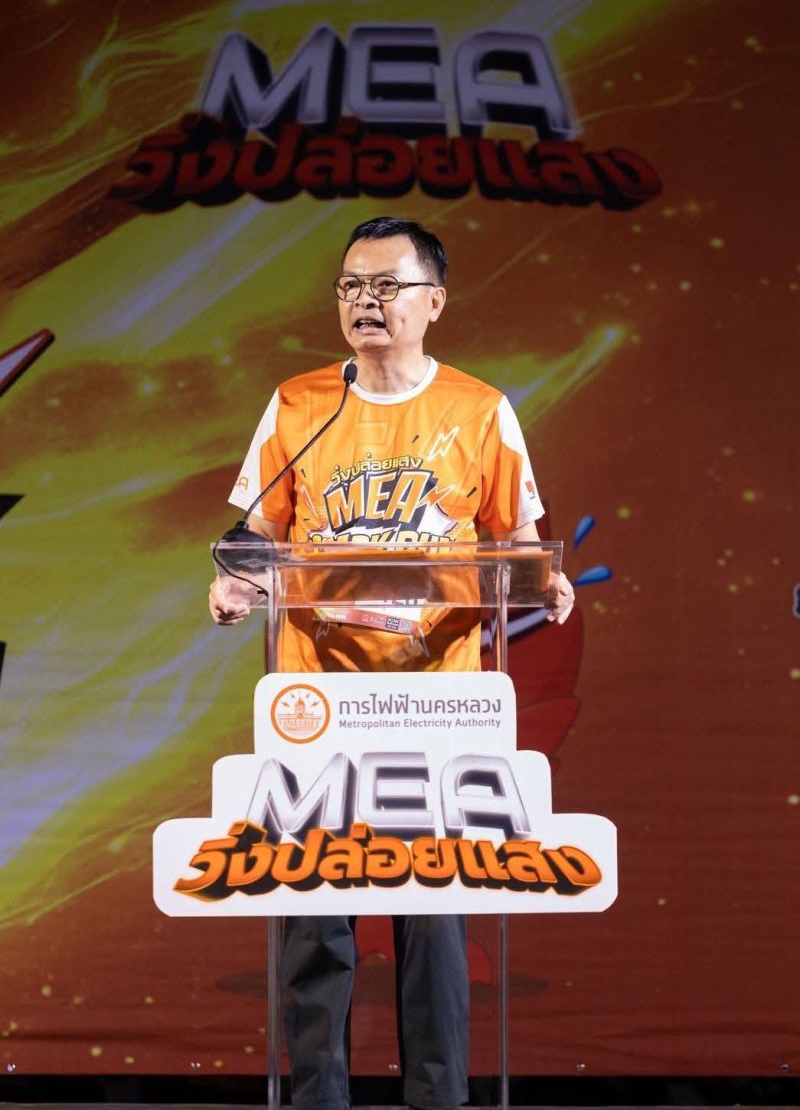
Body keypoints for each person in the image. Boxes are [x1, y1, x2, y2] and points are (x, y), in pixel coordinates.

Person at [209, 217, 574, 1110]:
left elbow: (521, 545)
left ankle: (438, 1098)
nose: (364, 302)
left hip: (434, 702)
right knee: (314, 909)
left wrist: (549, 580)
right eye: (350, 286)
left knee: (433, 911)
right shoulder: (298, 405)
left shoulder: (480, 410)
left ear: (433, 301)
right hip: (314, 697)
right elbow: (255, 536)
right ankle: (317, 1099)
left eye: (385, 286)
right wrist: (235, 583)